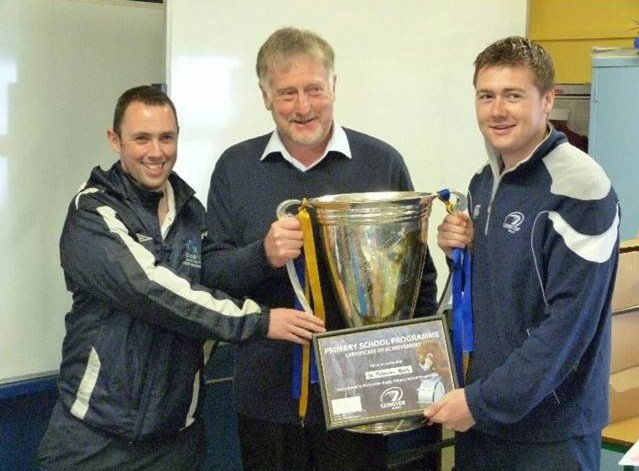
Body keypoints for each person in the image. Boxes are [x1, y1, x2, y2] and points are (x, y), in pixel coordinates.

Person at [37, 85, 324, 471]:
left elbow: (217, 277)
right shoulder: (93, 212)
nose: (156, 152)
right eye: (142, 138)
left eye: (166, 138)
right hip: (95, 439)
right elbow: (150, 290)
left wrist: (264, 255)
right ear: (114, 140)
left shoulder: (191, 214)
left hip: (177, 439)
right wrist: (260, 321)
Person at [202, 27, 440, 471]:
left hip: (362, 394)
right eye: (286, 92)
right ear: (265, 96)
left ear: (334, 85)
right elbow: (211, 275)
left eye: (314, 88)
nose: (303, 106)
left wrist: (411, 371)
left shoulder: (381, 162)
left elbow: (418, 277)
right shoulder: (234, 168)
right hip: (267, 397)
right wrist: (263, 255)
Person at [425, 36, 620, 470]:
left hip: (550, 430)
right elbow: (504, 291)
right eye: (486, 96)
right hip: (486, 421)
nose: (497, 110)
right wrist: (462, 251)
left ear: (548, 99)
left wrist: (481, 401)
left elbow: (567, 326)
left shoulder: (579, 187)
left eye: (514, 95)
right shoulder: (483, 180)